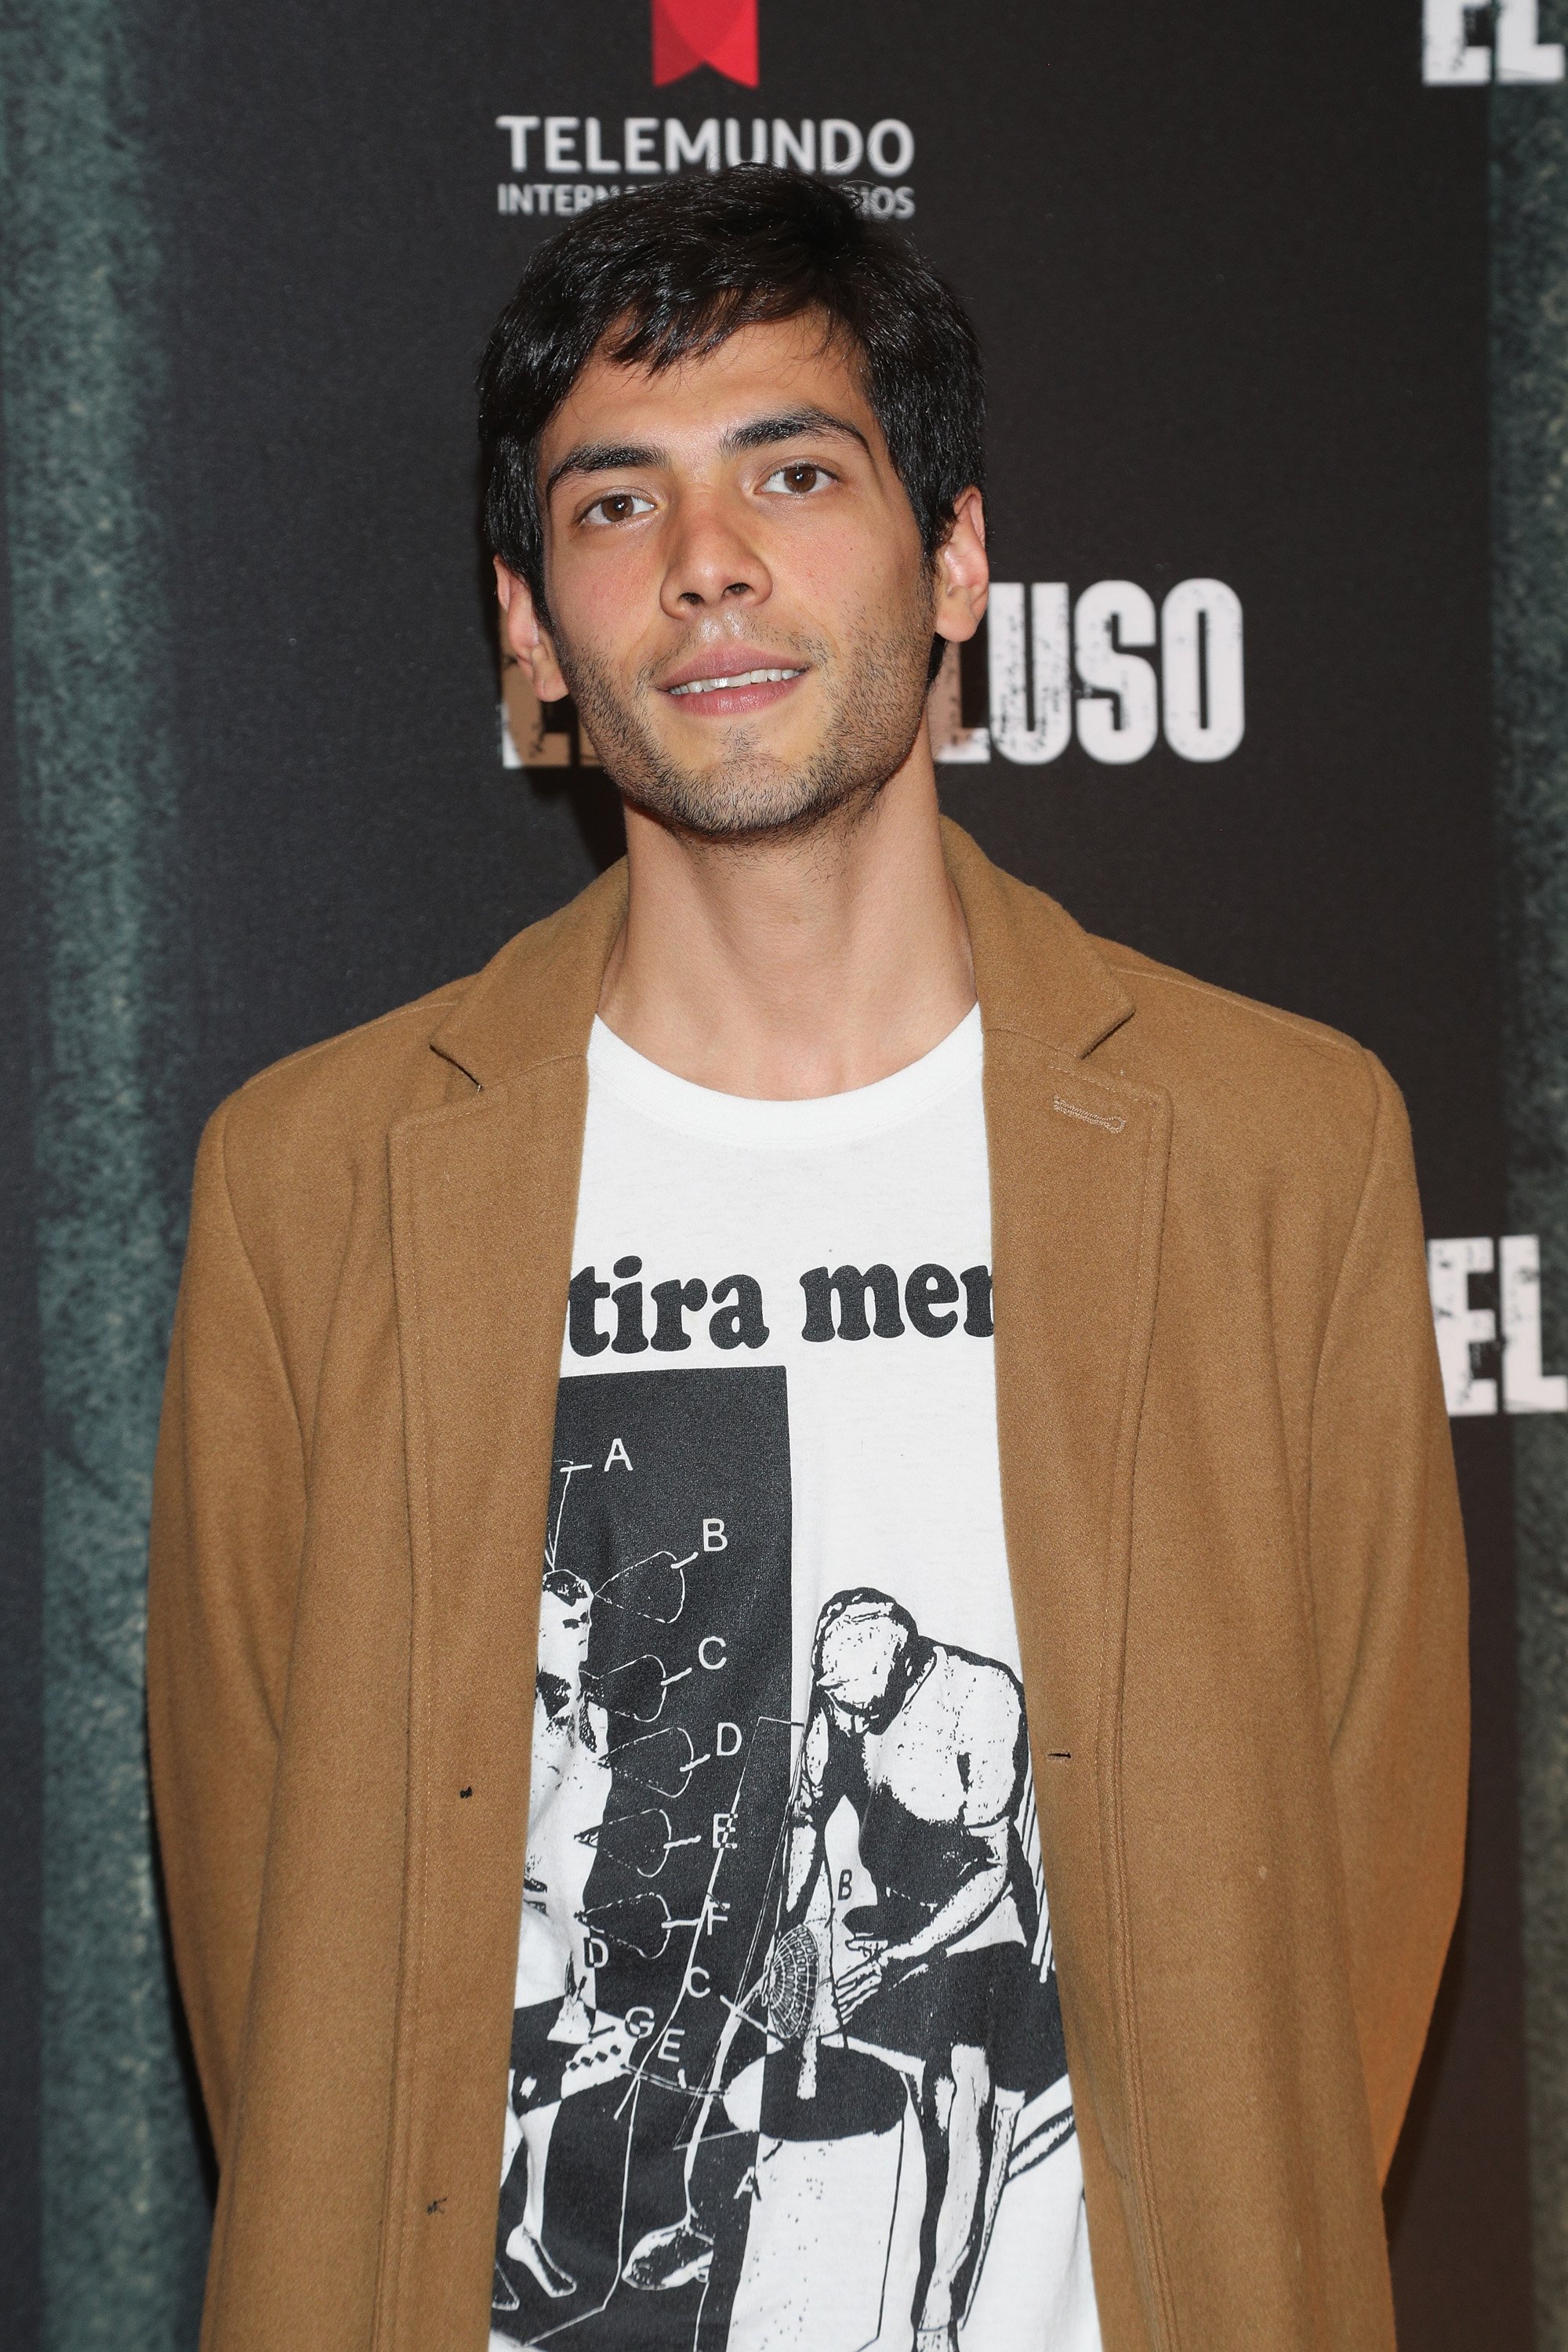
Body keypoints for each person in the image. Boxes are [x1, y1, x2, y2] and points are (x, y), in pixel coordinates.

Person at [147, 166, 1468, 2352]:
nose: (708, 567)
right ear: (523, 620)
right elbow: (281, 1953)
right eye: (612, 504)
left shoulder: (1275, 1150)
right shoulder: (319, 1187)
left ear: (956, 554)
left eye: (793, 469)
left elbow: (1345, 1926)